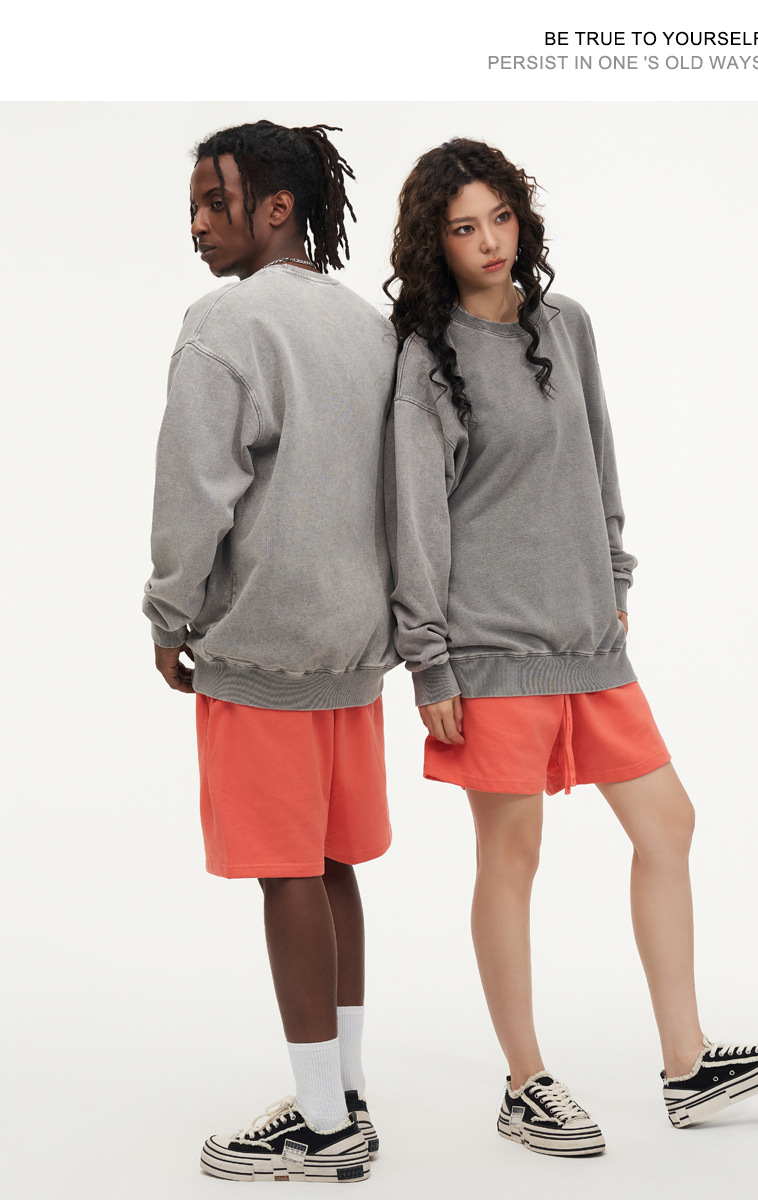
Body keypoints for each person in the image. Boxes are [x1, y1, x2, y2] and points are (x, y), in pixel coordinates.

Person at [383, 137, 758, 1157]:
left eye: (500, 217)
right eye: (464, 227)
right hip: (489, 645)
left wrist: (613, 578)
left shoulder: (567, 325)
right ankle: (525, 1082)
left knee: (667, 822)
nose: (489, 241)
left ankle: (688, 1065)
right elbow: (415, 517)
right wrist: (429, 659)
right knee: (512, 852)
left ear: (521, 218)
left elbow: (598, 460)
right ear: (436, 243)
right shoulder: (427, 359)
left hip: (586, 636)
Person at [143, 119, 398, 1184]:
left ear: (278, 207)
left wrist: (169, 614)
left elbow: (194, 490)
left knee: (285, 874)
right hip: (356, 650)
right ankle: (345, 1090)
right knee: (332, 864)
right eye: (194, 206)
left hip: (264, 646)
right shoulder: (372, 329)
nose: (198, 225)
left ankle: (323, 1127)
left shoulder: (225, 324)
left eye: (217, 202)